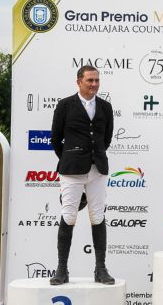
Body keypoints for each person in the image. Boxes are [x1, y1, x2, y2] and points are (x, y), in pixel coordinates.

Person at [49, 65, 115, 285]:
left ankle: (100, 268)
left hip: (98, 169)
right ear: (79, 81)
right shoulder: (65, 105)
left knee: (98, 216)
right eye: (90, 81)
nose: (94, 84)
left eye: (97, 80)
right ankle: (61, 269)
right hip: (71, 170)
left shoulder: (106, 107)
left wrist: (95, 156)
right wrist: (71, 156)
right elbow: (55, 139)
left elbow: (106, 139)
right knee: (69, 216)